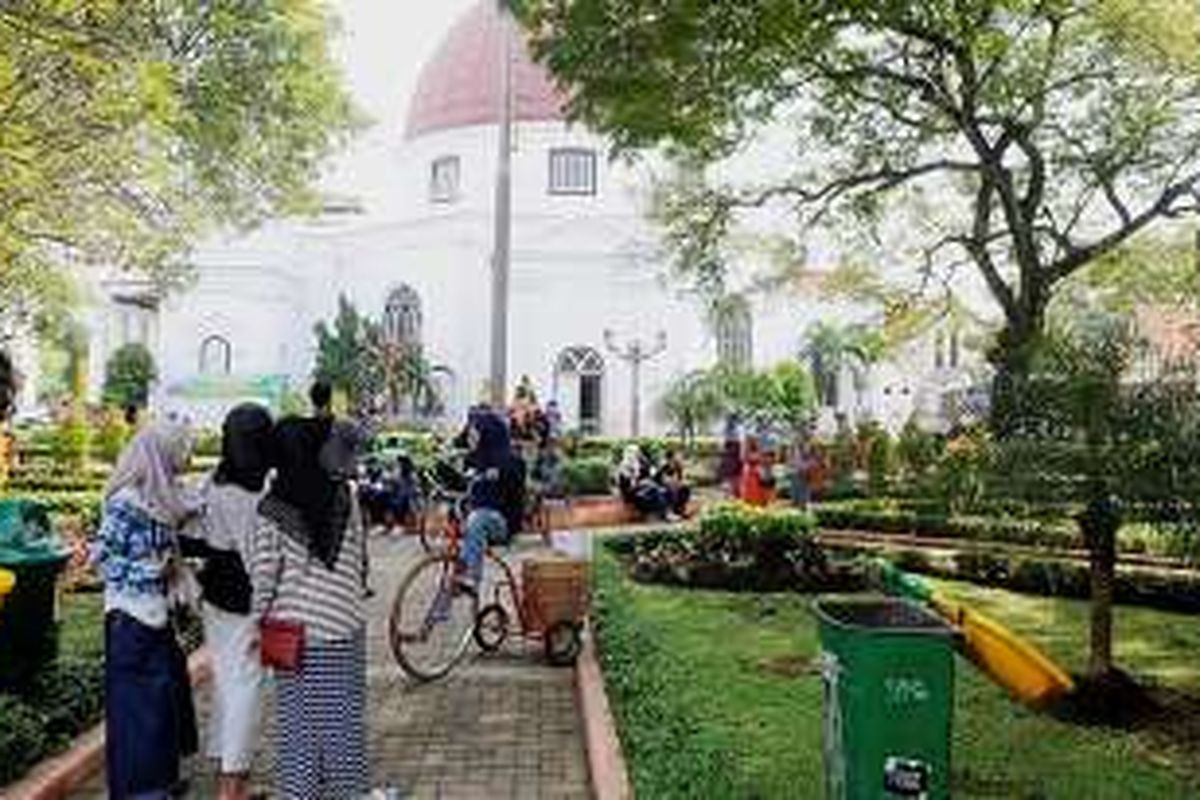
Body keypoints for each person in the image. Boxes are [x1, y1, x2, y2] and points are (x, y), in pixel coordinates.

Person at [252, 418, 370, 799]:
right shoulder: (345, 496)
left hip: (296, 639)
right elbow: (360, 560)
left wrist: (254, 625)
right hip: (345, 630)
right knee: (344, 726)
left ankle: (300, 794)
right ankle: (350, 793)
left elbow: (264, 578)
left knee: (299, 729)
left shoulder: (272, 507)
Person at [95, 422, 200, 799]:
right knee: (138, 713)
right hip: (130, 618)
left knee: (160, 706)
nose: (180, 462)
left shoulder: (155, 495)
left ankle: (160, 784)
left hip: (153, 616)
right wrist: (154, 569)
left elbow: (192, 505)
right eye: (175, 455)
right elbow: (103, 560)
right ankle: (142, 792)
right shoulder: (126, 501)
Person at [179, 404, 273, 800]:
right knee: (245, 691)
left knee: (227, 683)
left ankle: (230, 774)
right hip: (247, 600)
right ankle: (230, 786)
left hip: (216, 595)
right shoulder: (257, 494)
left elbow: (192, 527)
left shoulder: (213, 482)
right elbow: (260, 563)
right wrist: (262, 619)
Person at [458, 407, 526, 589]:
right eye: (470, 433)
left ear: (487, 434)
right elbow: (462, 482)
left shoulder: (510, 460)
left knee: (476, 520)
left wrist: (500, 474)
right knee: (468, 519)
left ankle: (472, 577)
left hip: (503, 521)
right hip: (480, 516)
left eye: (475, 433)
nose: (471, 437)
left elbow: (517, 489)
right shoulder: (474, 458)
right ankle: (462, 569)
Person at [615, 444, 669, 520]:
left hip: (643, 489)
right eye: (634, 453)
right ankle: (663, 514)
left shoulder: (640, 464)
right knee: (654, 490)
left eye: (637, 453)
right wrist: (640, 480)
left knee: (663, 490)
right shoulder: (624, 466)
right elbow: (629, 483)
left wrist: (654, 471)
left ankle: (663, 513)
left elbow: (650, 473)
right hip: (631, 492)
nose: (636, 455)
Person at [656, 448, 692, 518]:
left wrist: (681, 482)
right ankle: (670, 511)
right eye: (674, 457)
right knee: (672, 488)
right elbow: (660, 477)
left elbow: (681, 477)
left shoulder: (678, 465)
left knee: (685, 488)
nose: (677, 458)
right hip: (663, 484)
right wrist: (671, 481)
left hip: (673, 483)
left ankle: (681, 508)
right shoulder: (664, 466)